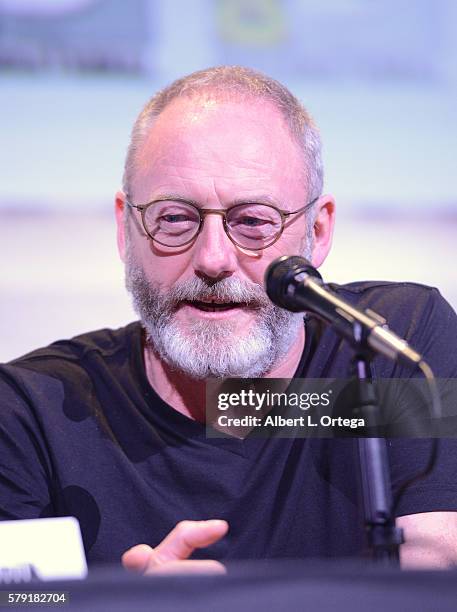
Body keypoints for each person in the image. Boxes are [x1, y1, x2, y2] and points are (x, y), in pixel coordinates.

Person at [1, 66, 457, 574]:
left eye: (253, 221)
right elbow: (18, 598)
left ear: (318, 230)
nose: (213, 259)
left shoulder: (387, 346)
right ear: (125, 228)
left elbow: (433, 578)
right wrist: (115, 608)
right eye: (174, 218)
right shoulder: (32, 411)